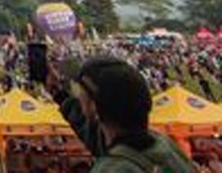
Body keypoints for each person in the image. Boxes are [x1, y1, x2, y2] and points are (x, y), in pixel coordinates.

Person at [48, 56, 193, 172]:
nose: (79, 96)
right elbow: (105, 141)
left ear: (94, 107)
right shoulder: (164, 146)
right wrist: (58, 93)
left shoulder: (112, 168)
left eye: (82, 92)